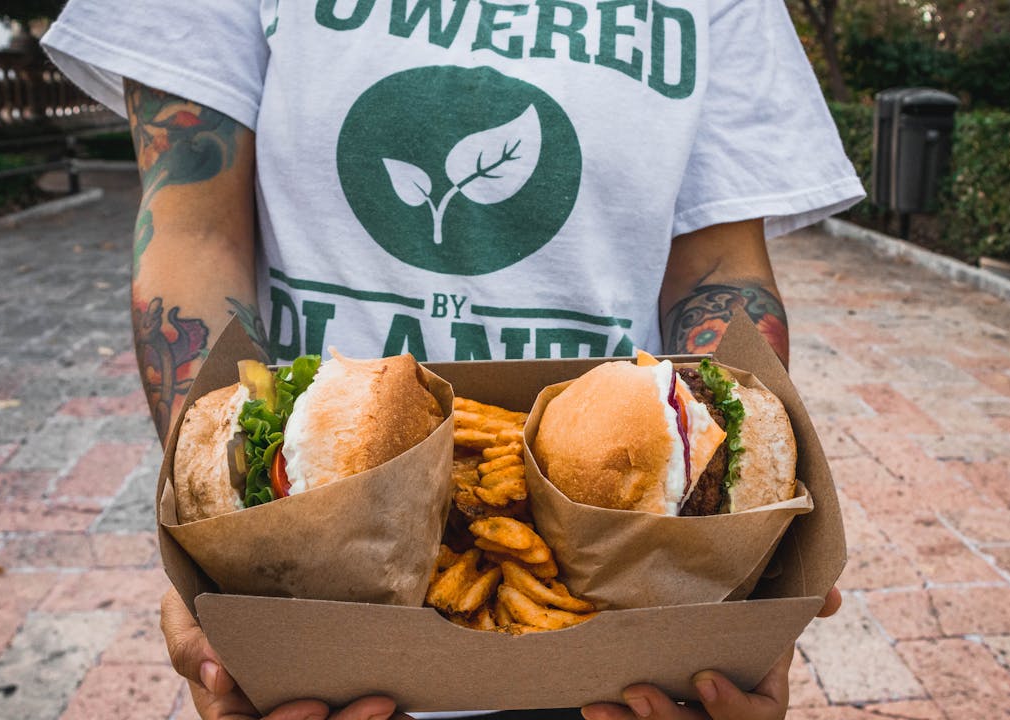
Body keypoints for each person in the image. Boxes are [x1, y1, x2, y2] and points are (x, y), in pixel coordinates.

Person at [42, 1, 862, 718]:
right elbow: (193, 234)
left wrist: (739, 569)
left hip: (630, 607)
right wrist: (222, 548)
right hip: (320, 617)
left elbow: (719, 273)